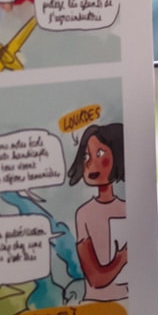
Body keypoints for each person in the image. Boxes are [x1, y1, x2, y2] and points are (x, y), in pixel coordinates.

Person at [68, 122, 128, 302]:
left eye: (99, 153)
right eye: (86, 156)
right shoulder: (84, 214)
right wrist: (122, 258)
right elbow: (95, 278)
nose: (90, 163)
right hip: (96, 307)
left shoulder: (127, 209)